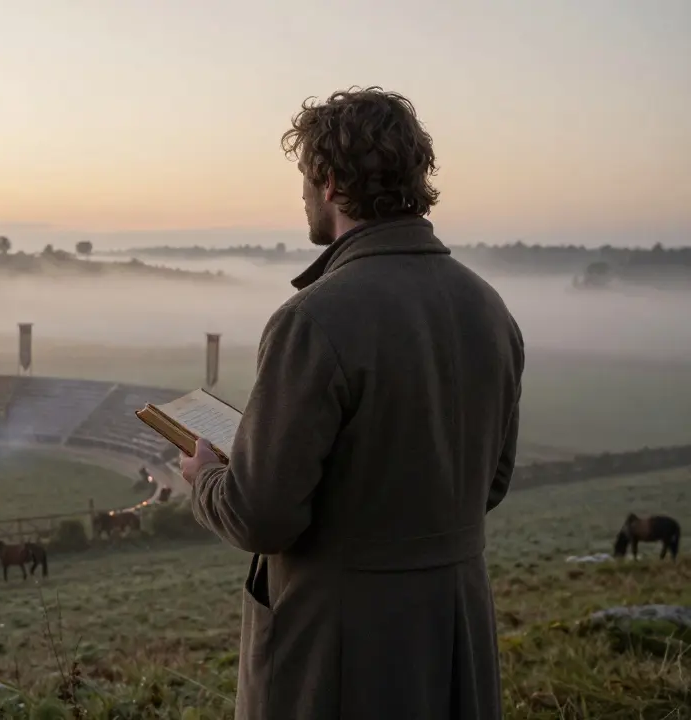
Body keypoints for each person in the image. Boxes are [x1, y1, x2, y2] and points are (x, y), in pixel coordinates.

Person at [180, 87, 523, 720]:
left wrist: (206, 478)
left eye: (305, 179)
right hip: (456, 636)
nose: (302, 197)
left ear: (330, 181)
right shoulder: (489, 307)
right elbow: (491, 484)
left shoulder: (314, 318)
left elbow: (261, 516)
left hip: (339, 652)